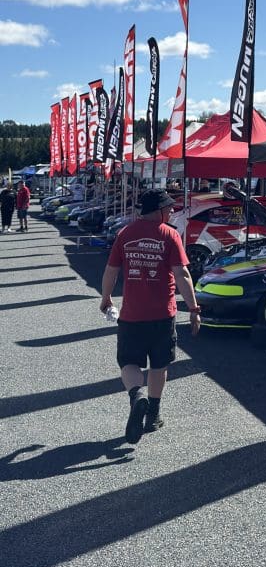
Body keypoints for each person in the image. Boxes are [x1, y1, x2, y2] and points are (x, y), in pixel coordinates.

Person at [99, 189, 201, 444]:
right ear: (157, 211)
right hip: (162, 317)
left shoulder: (126, 234)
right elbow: (182, 275)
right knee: (159, 365)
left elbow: (111, 270)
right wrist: (194, 309)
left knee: (129, 364)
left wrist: (106, 299)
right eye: (168, 208)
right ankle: (153, 414)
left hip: (132, 316)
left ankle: (136, 395)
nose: (172, 212)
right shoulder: (169, 235)